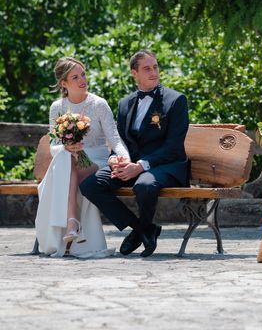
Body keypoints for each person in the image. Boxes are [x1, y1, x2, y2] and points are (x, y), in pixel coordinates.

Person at [80, 50, 189, 257]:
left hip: (165, 165)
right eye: (147, 69)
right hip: (131, 165)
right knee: (90, 185)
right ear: (134, 73)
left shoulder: (175, 101)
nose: (154, 72)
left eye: (155, 67)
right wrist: (114, 159)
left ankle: (142, 230)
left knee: (144, 185)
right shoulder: (125, 103)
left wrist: (140, 166)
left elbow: (173, 147)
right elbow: (118, 140)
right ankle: (142, 228)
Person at [35, 57, 130, 258]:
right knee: (67, 157)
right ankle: (72, 222)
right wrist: (67, 146)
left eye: (83, 74)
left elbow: (114, 138)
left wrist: (125, 158)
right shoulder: (57, 107)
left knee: (68, 160)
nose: (82, 80)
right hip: (68, 159)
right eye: (75, 77)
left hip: (96, 161)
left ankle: (71, 221)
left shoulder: (98, 104)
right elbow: (53, 146)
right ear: (64, 83)